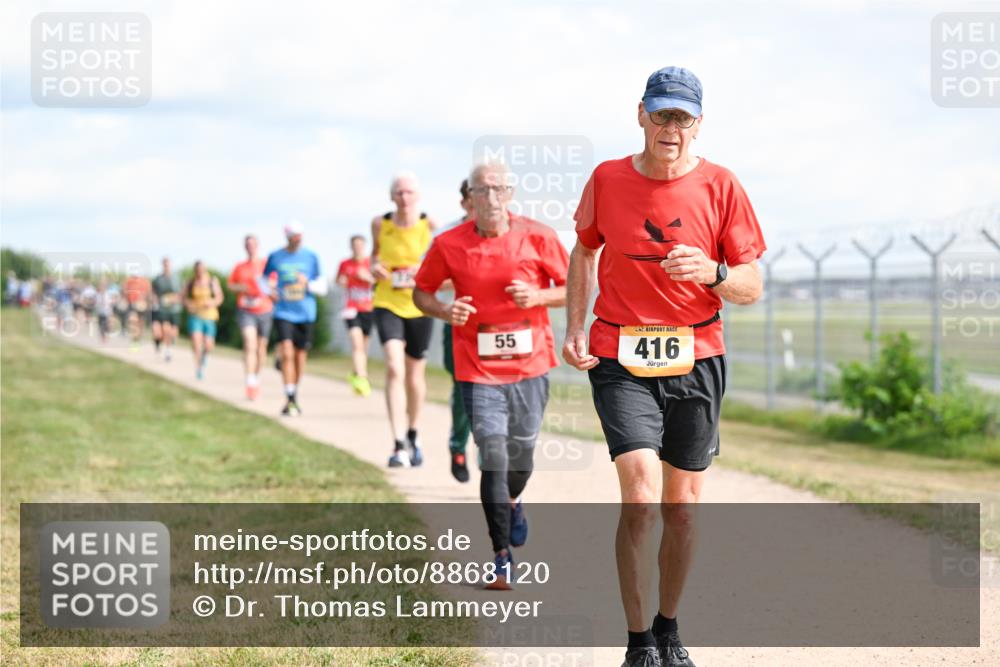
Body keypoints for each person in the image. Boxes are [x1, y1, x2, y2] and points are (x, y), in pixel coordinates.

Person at [562, 67, 766, 667]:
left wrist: (714, 272)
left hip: (697, 356)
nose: (670, 127)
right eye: (661, 114)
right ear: (641, 114)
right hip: (621, 355)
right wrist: (575, 326)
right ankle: (637, 643)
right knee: (642, 497)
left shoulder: (722, 186)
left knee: (681, 507)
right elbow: (584, 248)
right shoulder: (607, 178)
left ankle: (669, 628)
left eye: (682, 117)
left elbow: (752, 284)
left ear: (697, 123)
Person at [414, 161, 568, 589]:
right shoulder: (448, 244)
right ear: (469, 197)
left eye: (501, 189)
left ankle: (514, 500)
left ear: (512, 194)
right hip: (477, 368)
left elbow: (574, 285)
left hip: (531, 365)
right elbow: (421, 292)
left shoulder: (539, 236)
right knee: (493, 456)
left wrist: (538, 294)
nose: (493, 197)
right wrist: (446, 310)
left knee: (520, 458)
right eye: (484, 190)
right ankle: (501, 555)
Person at [370, 172, 439, 467]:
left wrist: (418, 272)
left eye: (409, 192)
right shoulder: (379, 224)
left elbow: (440, 260)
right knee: (394, 368)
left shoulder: (430, 225)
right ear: (391, 196)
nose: (404, 198)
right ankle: (397, 443)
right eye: (399, 192)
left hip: (419, 304)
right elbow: (374, 256)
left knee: (414, 375)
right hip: (387, 302)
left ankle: (413, 431)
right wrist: (375, 267)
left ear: (418, 196)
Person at [264, 221, 327, 416]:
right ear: (288, 237)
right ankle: (289, 396)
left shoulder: (311, 257)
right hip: (283, 311)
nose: (298, 240)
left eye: (300, 236)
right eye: (294, 237)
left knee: (300, 357)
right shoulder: (276, 256)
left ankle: (294, 393)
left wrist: (306, 283)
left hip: (306, 312)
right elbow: (263, 280)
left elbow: (322, 286)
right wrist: (270, 291)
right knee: (288, 353)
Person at [438, 179, 475, 482]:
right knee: (464, 390)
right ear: (464, 202)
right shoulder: (446, 236)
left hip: (501, 326)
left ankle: (493, 452)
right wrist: (470, 278)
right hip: (460, 324)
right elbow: (430, 282)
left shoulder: (509, 232)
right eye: (477, 197)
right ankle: (458, 445)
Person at [229, 235, 274, 400]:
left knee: (261, 349)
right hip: (246, 310)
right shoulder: (239, 267)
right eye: (247, 244)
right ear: (244, 247)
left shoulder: (266, 265)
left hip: (264, 309)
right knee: (250, 343)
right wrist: (241, 287)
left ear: (258, 246)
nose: (250, 247)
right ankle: (250, 382)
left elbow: (274, 283)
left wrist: (268, 288)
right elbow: (231, 284)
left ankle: (256, 378)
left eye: (253, 244)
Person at [336, 235, 376, 397]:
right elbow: (339, 281)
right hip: (352, 309)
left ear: (364, 247)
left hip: (369, 308)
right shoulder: (345, 264)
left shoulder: (370, 263)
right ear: (351, 247)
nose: (357, 248)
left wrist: (366, 277)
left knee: (364, 346)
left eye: (360, 245)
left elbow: (379, 283)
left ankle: (356, 372)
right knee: (356, 342)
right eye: (355, 245)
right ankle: (362, 378)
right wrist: (343, 280)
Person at [183, 261, 224, 380]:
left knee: (208, 345)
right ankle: (199, 367)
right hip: (195, 315)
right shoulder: (190, 282)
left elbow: (219, 298)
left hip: (210, 316)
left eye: (202, 269)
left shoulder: (212, 281)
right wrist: (188, 304)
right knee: (196, 341)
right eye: (198, 270)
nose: (200, 272)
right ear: (195, 270)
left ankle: (203, 358)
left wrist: (211, 302)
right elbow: (183, 297)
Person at [151, 257, 182, 362]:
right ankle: (167, 350)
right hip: (162, 309)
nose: (166, 266)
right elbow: (153, 292)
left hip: (174, 309)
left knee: (173, 332)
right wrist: (154, 300)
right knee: (165, 329)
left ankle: (167, 345)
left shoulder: (176, 278)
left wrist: (176, 299)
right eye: (164, 264)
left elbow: (180, 293)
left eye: (168, 264)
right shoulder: (158, 279)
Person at [123, 272, 152, 346]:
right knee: (132, 321)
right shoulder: (129, 281)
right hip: (132, 304)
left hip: (142, 305)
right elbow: (125, 292)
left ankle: (138, 338)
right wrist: (126, 300)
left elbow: (149, 293)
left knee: (141, 323)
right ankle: (134, 338)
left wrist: (147, 303)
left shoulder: (145, 281)